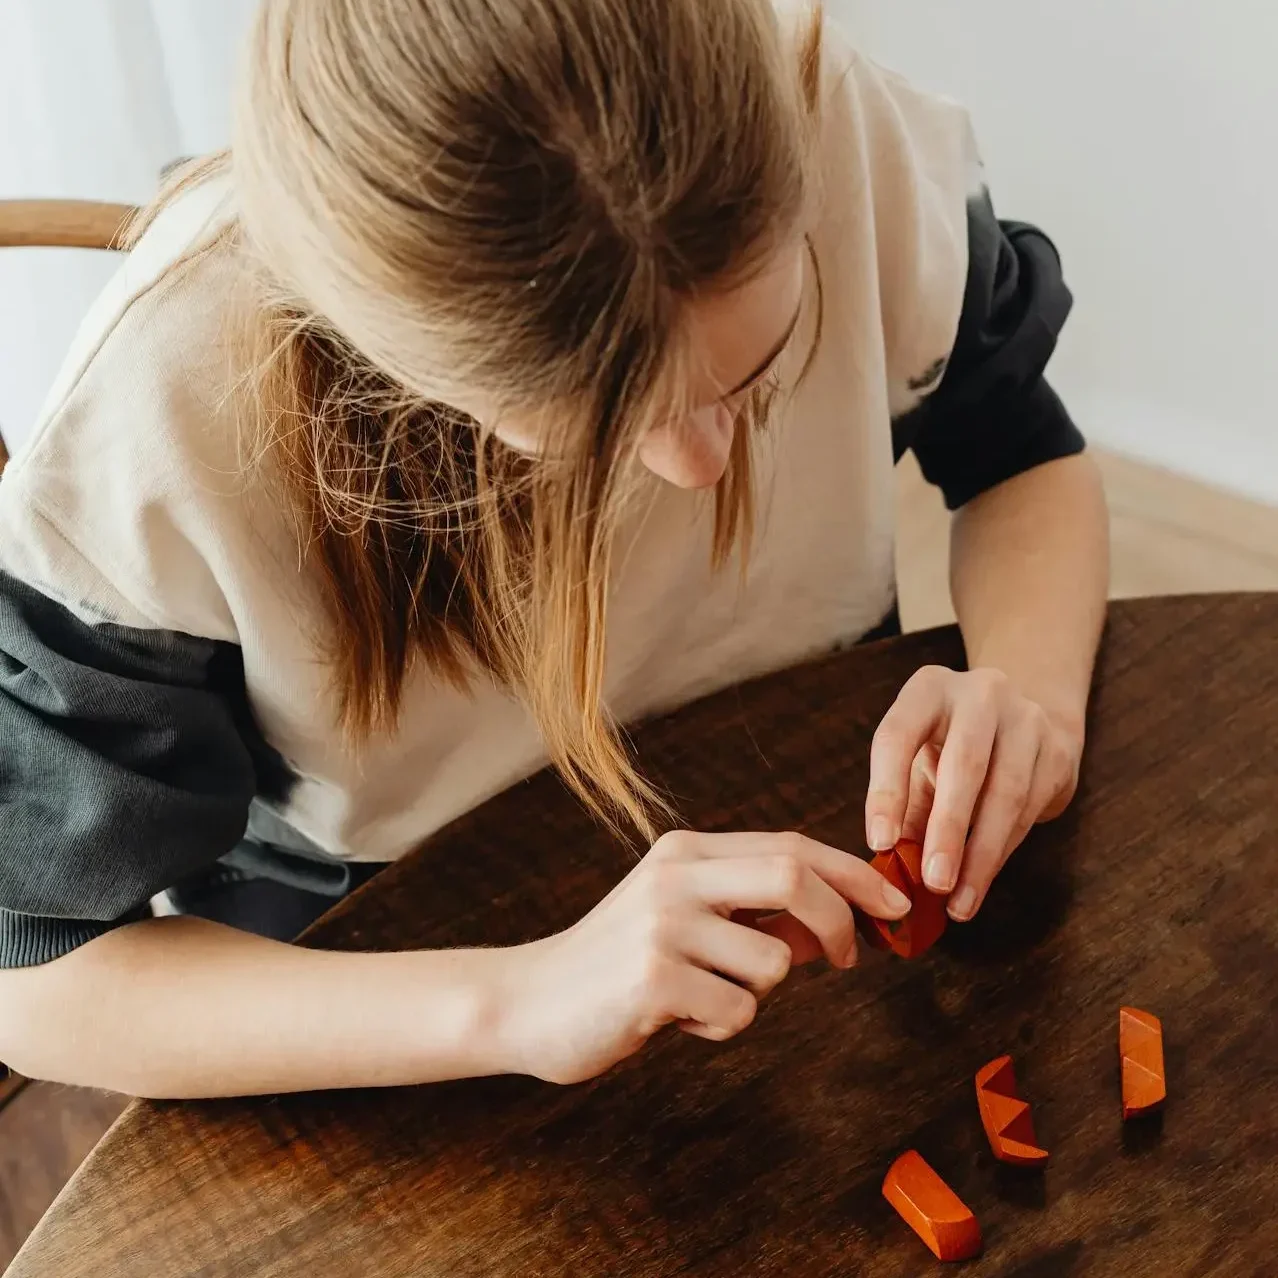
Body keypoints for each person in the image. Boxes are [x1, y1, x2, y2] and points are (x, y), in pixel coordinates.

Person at [0, 0, 1107, 1099]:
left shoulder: (817, 110)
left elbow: (1017, 454)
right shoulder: (163, 417)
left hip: (815, 849)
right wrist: (522, 998)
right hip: (384, 986)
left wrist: (1029, 694)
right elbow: (37, 982)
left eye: (753, 373)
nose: (704, 466)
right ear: (401, 362)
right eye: (610, 431)